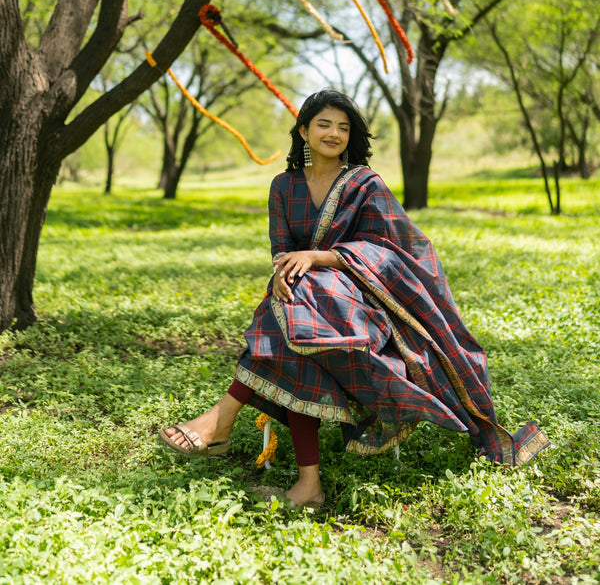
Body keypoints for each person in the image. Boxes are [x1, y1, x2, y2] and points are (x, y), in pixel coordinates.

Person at [159, 89, 549, 508]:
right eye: (324, 124)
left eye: (343, 127)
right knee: (296, 320)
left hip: (362, 298)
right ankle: (307, 486)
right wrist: (281, 272)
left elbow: (390, 247)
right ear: (304, 130)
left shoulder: (365, 183)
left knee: (294, 311)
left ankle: (223, 422)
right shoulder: (282, 185)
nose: (334, 133)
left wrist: (316, 257)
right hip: (305, 300)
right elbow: (280, 246)